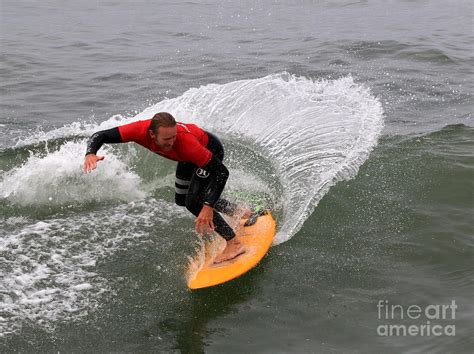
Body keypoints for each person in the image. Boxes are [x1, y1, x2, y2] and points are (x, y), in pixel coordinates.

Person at [83, 112, 252, 263]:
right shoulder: (137, 130)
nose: (172, 142)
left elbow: (221, 173)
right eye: (166, 139)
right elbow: (100, 135)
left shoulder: (186, 144)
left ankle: (234, 243)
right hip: (186, 158)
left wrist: (207, 207)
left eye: (174, 137)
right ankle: (238, 211)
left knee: (194, 202)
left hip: (209, 151)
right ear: (151, 134)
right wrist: (90, 153)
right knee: (181, 200)